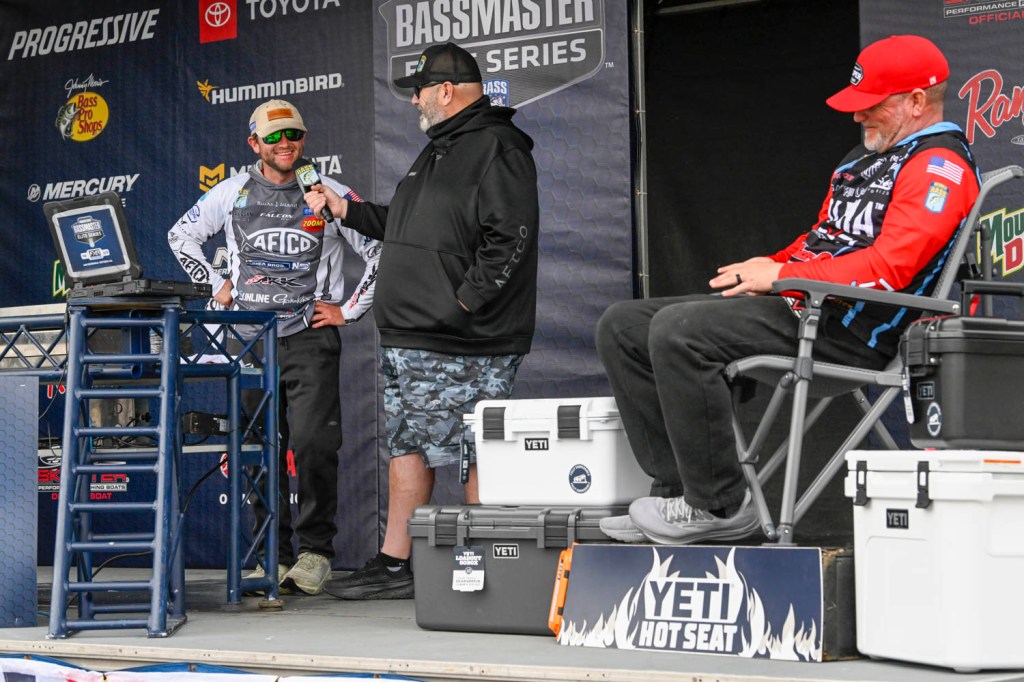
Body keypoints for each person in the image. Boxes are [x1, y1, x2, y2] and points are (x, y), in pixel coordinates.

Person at [595, 35, 980, 544]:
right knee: (622, 325)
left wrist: (781, 278)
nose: (857, 116)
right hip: (805, 306)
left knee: (677, 331)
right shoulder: (861, 159)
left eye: (872, 105)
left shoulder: (940, 166)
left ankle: (718, 506)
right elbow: (824, 238)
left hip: (851, 332)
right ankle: (680, 493)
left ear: (915, 102)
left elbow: (890, 269)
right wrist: (773, 264)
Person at [304, 42, 539, 599]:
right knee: (408, 445)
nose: (414, 101)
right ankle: (395, 565)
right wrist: (345, 210)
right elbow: (408, 226)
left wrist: (461, 304)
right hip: (412, 337)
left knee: (476, 449)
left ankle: (488, 570)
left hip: (463, 339)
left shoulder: (498, 146)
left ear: (446, 90)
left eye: (420, 91)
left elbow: (512, 238)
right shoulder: (439, 149)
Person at [168, 99, 382, 594]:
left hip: (310, 336)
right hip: (250, 339)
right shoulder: (231, 191)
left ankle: (315, 553)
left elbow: (379, 248)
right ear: (254, 143)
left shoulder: (329, 193)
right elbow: (181, 236)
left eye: (294, 135)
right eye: (274, 136)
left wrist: (350, 310)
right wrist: (215, 284)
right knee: (259, 449)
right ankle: (271, 553)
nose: (286, 144)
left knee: (314, 445)